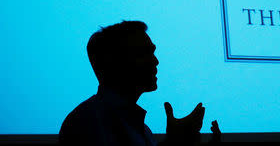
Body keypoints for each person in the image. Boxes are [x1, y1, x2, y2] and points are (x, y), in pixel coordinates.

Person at [59, 20, 221, 145]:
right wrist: (175, 142)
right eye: (143, 53)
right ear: (113, 62)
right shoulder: (88, 123)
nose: (155, 61)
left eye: (152, 52)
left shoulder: (141, 129)